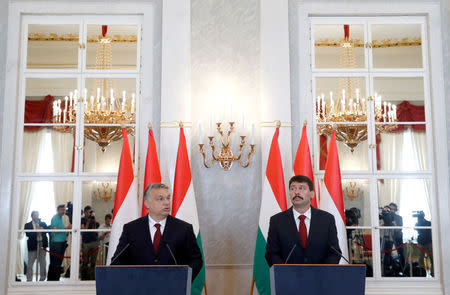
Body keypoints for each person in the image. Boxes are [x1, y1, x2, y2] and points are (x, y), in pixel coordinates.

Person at [111, 183, 203, 280]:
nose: (167, 202)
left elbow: (195, 260)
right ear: (147, 203)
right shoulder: (131, 229)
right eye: (160, 199)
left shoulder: (184, 229)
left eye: (168, 198)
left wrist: (183, 279)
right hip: (139, 287)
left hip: (173, 287)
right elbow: (118, 261)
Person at [265, 175, 341, 266]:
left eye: (302, 188)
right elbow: (272, 254)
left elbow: (334, 252)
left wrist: (324, 273)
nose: (296, 192)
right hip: (288, 278)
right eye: (293, 188)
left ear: (312, 194)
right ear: (289, 193)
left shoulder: (327, 219)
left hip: (320, 277)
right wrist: (285, 273)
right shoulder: (277, 221)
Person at [48, 205, 71, 281]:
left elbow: (61, 230)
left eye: (64, 210)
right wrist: (66, 228)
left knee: (58, 262)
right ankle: (53, 279)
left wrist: (66, 232)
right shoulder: (55, 218)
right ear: (57, 210)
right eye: (61, 209)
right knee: (55, 263)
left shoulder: (61, 218)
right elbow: (55, 230)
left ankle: (56, 278)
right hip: (56, 243)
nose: (63, 211)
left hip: (61, 242)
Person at [24, 211, 48, 281]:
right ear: (32, 216)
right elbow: (27, 234)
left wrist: (43, 230)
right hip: (32, 245)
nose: (36, 216)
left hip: (42, 244)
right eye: (35, 215)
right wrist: (36, 231)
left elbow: (48, 231)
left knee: (43, 263)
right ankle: (29, 279)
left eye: (37, 215)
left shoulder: (43, 223)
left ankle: (42, 279)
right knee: (30, 263)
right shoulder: (27, 225)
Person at [80, 206, 99, 280]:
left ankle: (92, 277)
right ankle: (84, 277)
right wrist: (87, 221)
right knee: (85, 261)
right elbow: (84, 230)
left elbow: (94, 229)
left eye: (90, 212)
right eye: (88, 212)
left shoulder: (94, 220)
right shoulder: (82, 219)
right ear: (85, 212)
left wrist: (94, 220)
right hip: (86, 242)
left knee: (93, 262)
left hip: (94, 241)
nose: (89, 213)